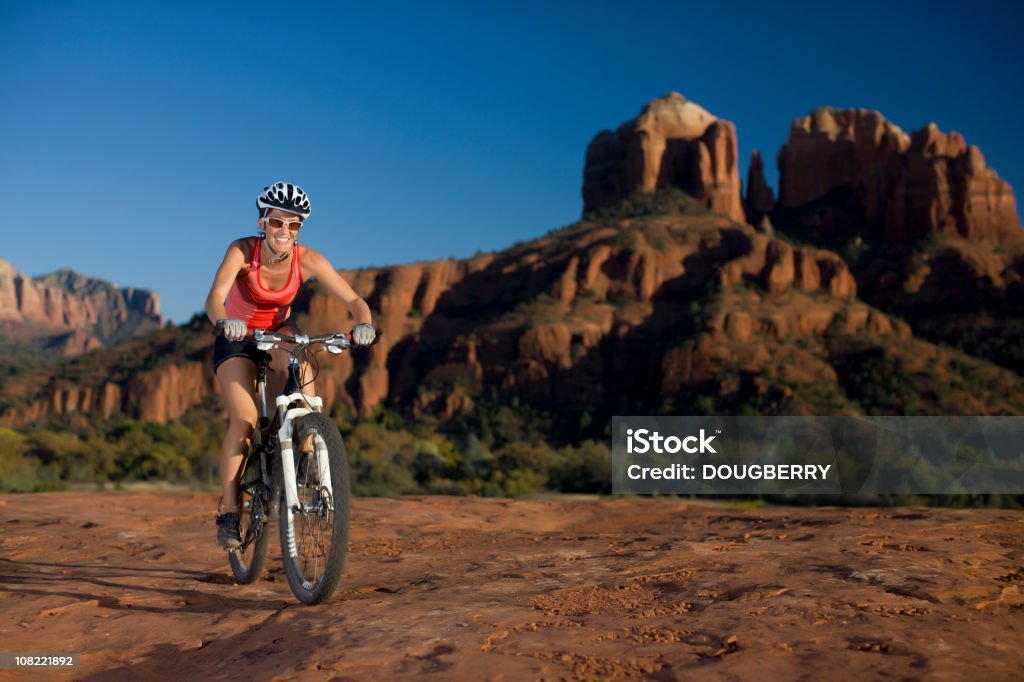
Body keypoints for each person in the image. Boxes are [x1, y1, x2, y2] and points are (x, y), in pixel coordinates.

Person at [205, 181, 375, 550]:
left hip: (279, 331)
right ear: (262, 222)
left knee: (305, 389)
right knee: (245, 419)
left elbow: (353, 298)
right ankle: (230, 511)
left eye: (293, 224)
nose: (285, 231)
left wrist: (363, 323)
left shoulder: (309, 259)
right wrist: (224, 320)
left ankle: (310, 457)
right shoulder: (241, 250)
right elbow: (214, 298)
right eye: (277, 222)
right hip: (235, 335)